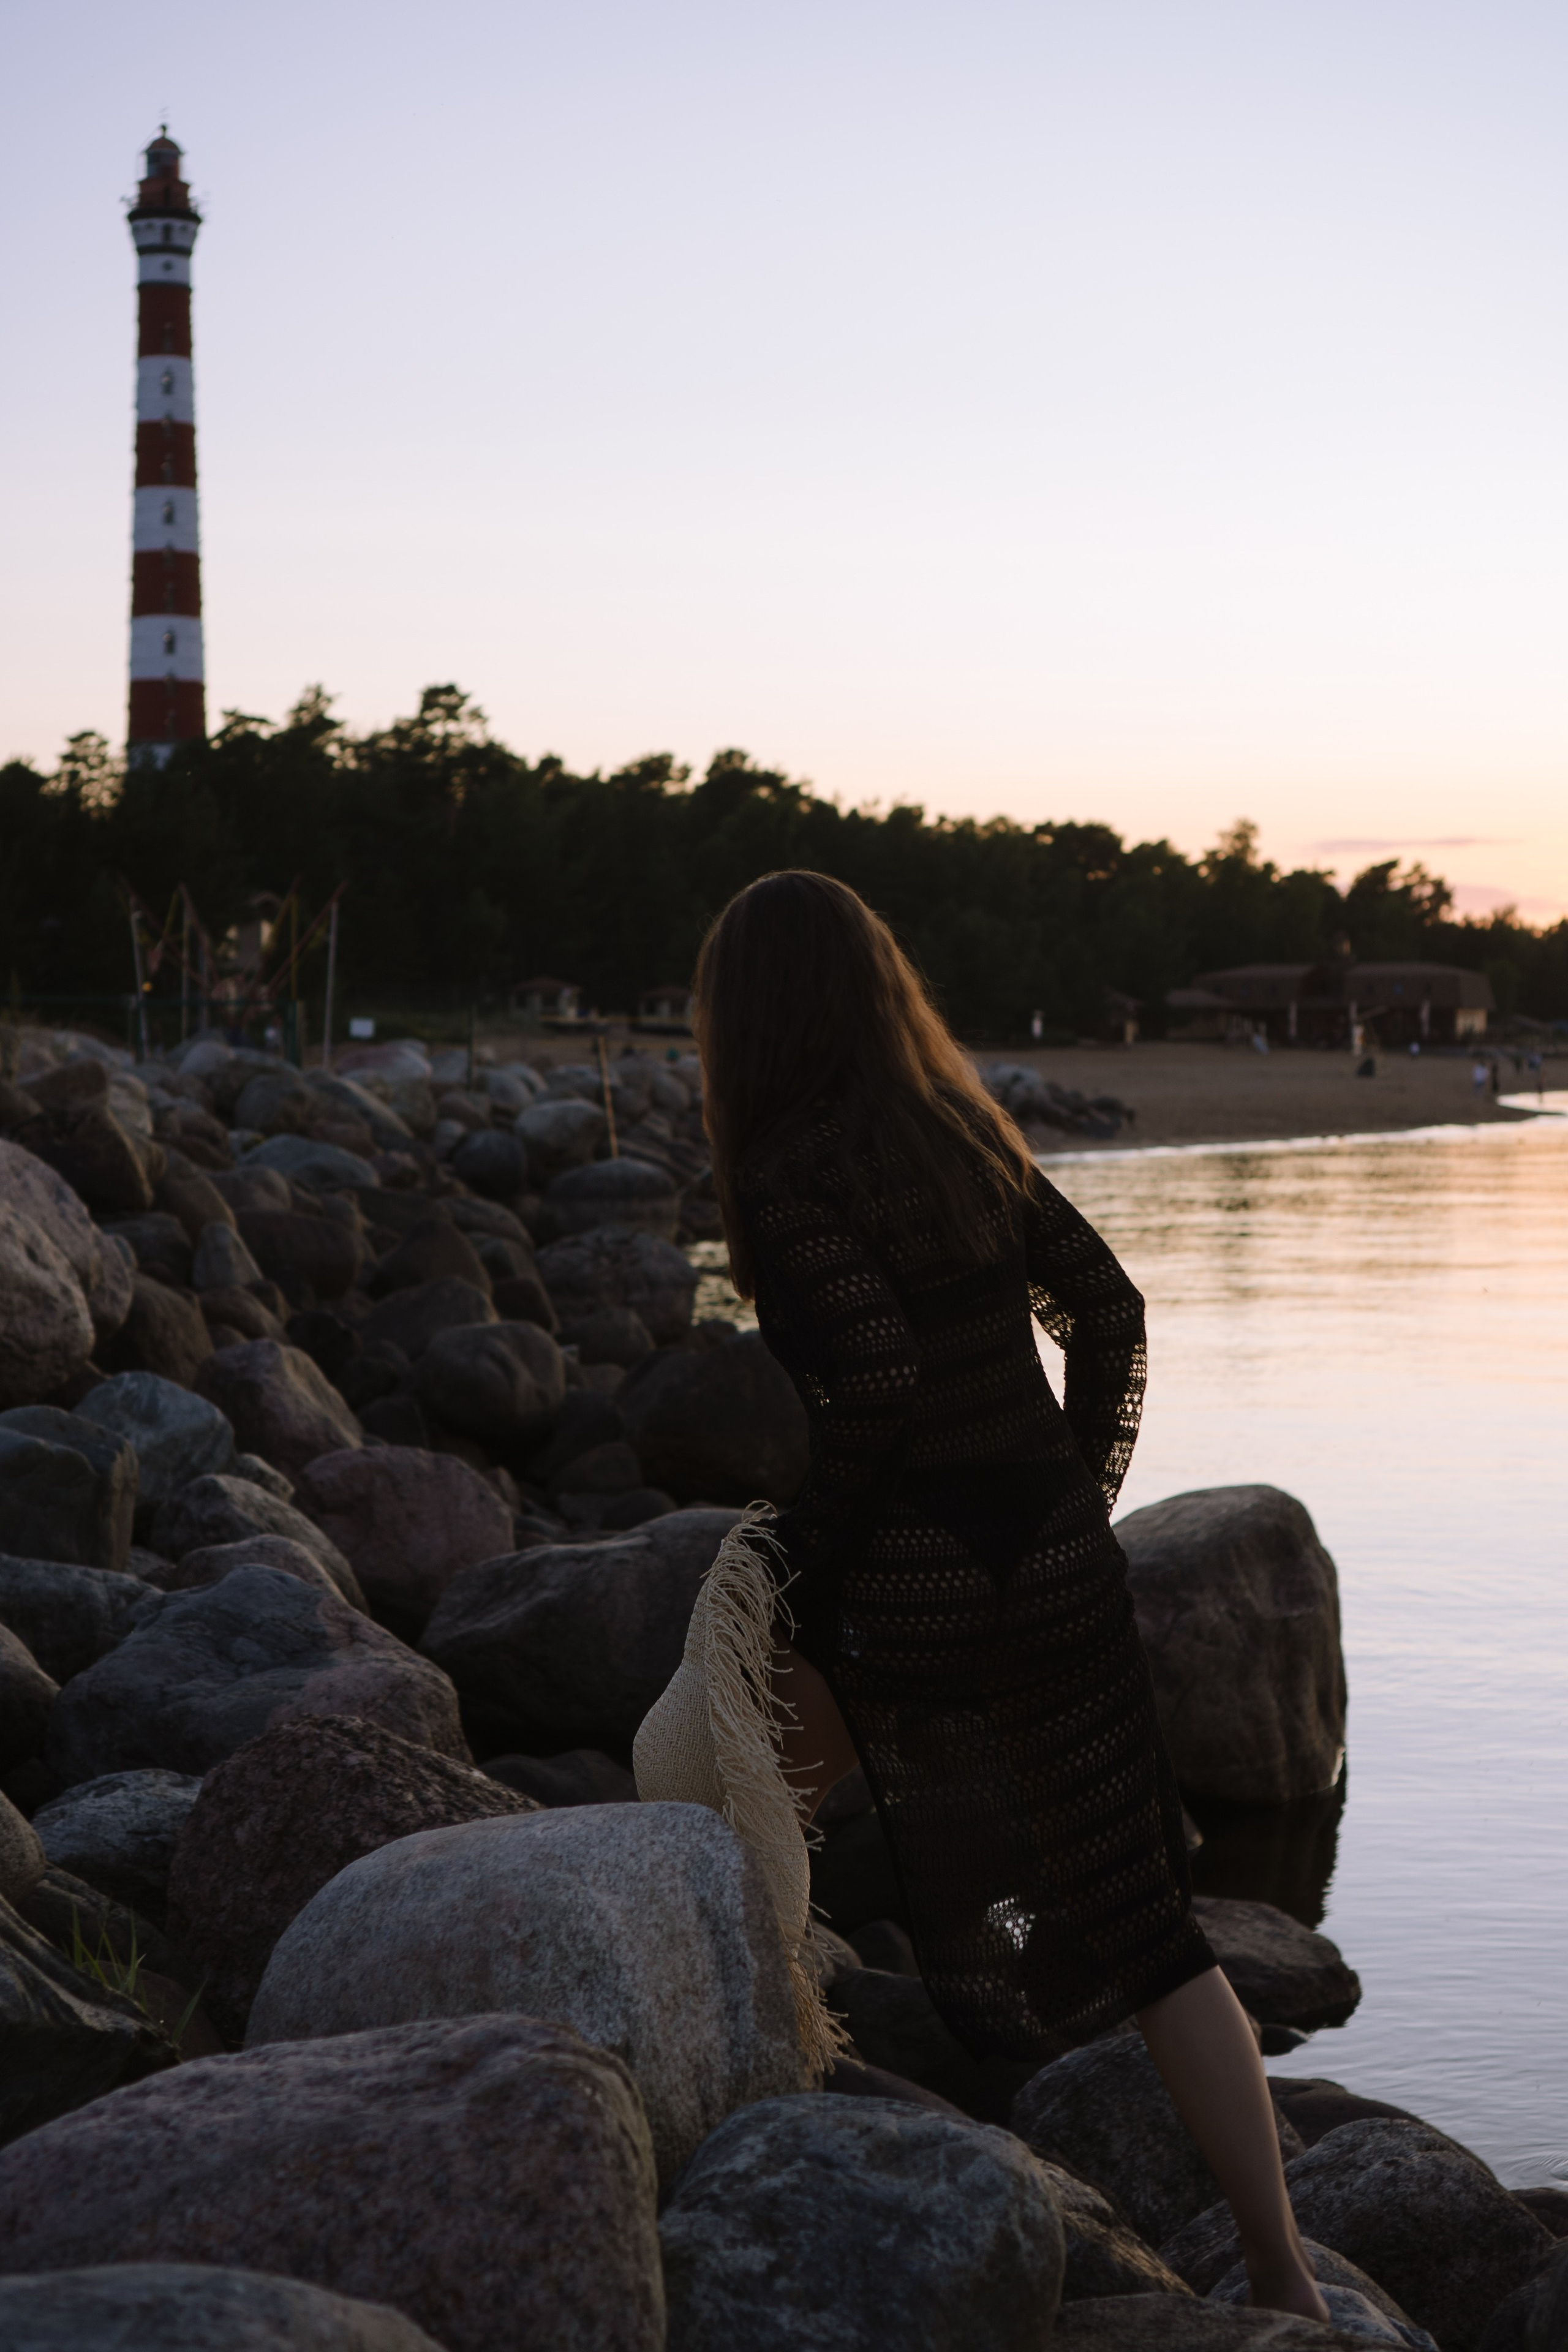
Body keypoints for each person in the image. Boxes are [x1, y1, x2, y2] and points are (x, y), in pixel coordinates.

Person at [690, 870, 1328, 2321]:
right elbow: (1106, 1313)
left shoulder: (790, 1170)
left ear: (747, 1017)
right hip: (1049, 1571)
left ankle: (724, 2085)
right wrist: (1064, 1501)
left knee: (744, 1816)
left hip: (910, 1578)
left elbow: (876, 1385)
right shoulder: (959, 1135)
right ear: (874, 989)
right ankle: (1288, 2275)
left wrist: (802, 1555)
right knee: (1152, 1928)